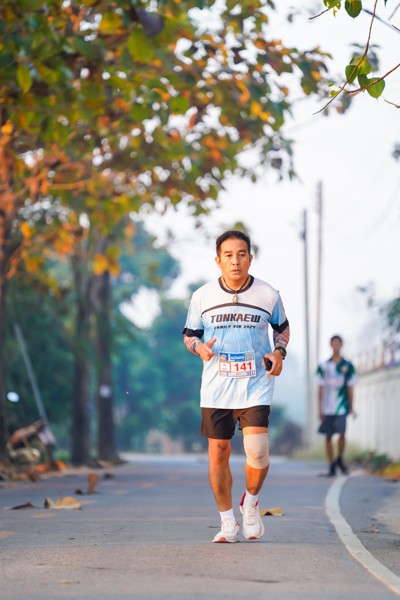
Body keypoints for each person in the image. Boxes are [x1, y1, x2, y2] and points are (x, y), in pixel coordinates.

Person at [182, 230, 290, 543]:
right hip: (216, 386)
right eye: (228, 255)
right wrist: (198, 348)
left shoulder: (268, 294)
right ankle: (227, 522)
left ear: (250, 258)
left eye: (241, 254)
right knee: (218, 452)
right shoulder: (202, 296)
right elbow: (190, 334)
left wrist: (278, 352)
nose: (235, 261)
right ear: (218, 260)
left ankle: (251, 501)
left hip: (255, 383)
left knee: (257, 450)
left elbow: (282, 330)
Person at [316, 335, 357, 477]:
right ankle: (331, 463)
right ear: (330, 345)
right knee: (328, 436)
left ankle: (340, 458)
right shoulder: (324, 366)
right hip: (328, 407)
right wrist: (320, 408)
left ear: (341, 345)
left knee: (342, 433)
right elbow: (320, 387)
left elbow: (351, 387)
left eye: (338, 343)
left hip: (342, 405)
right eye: (333, 343)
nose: (336, 346)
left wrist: (351, 406)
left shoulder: (348, 366)